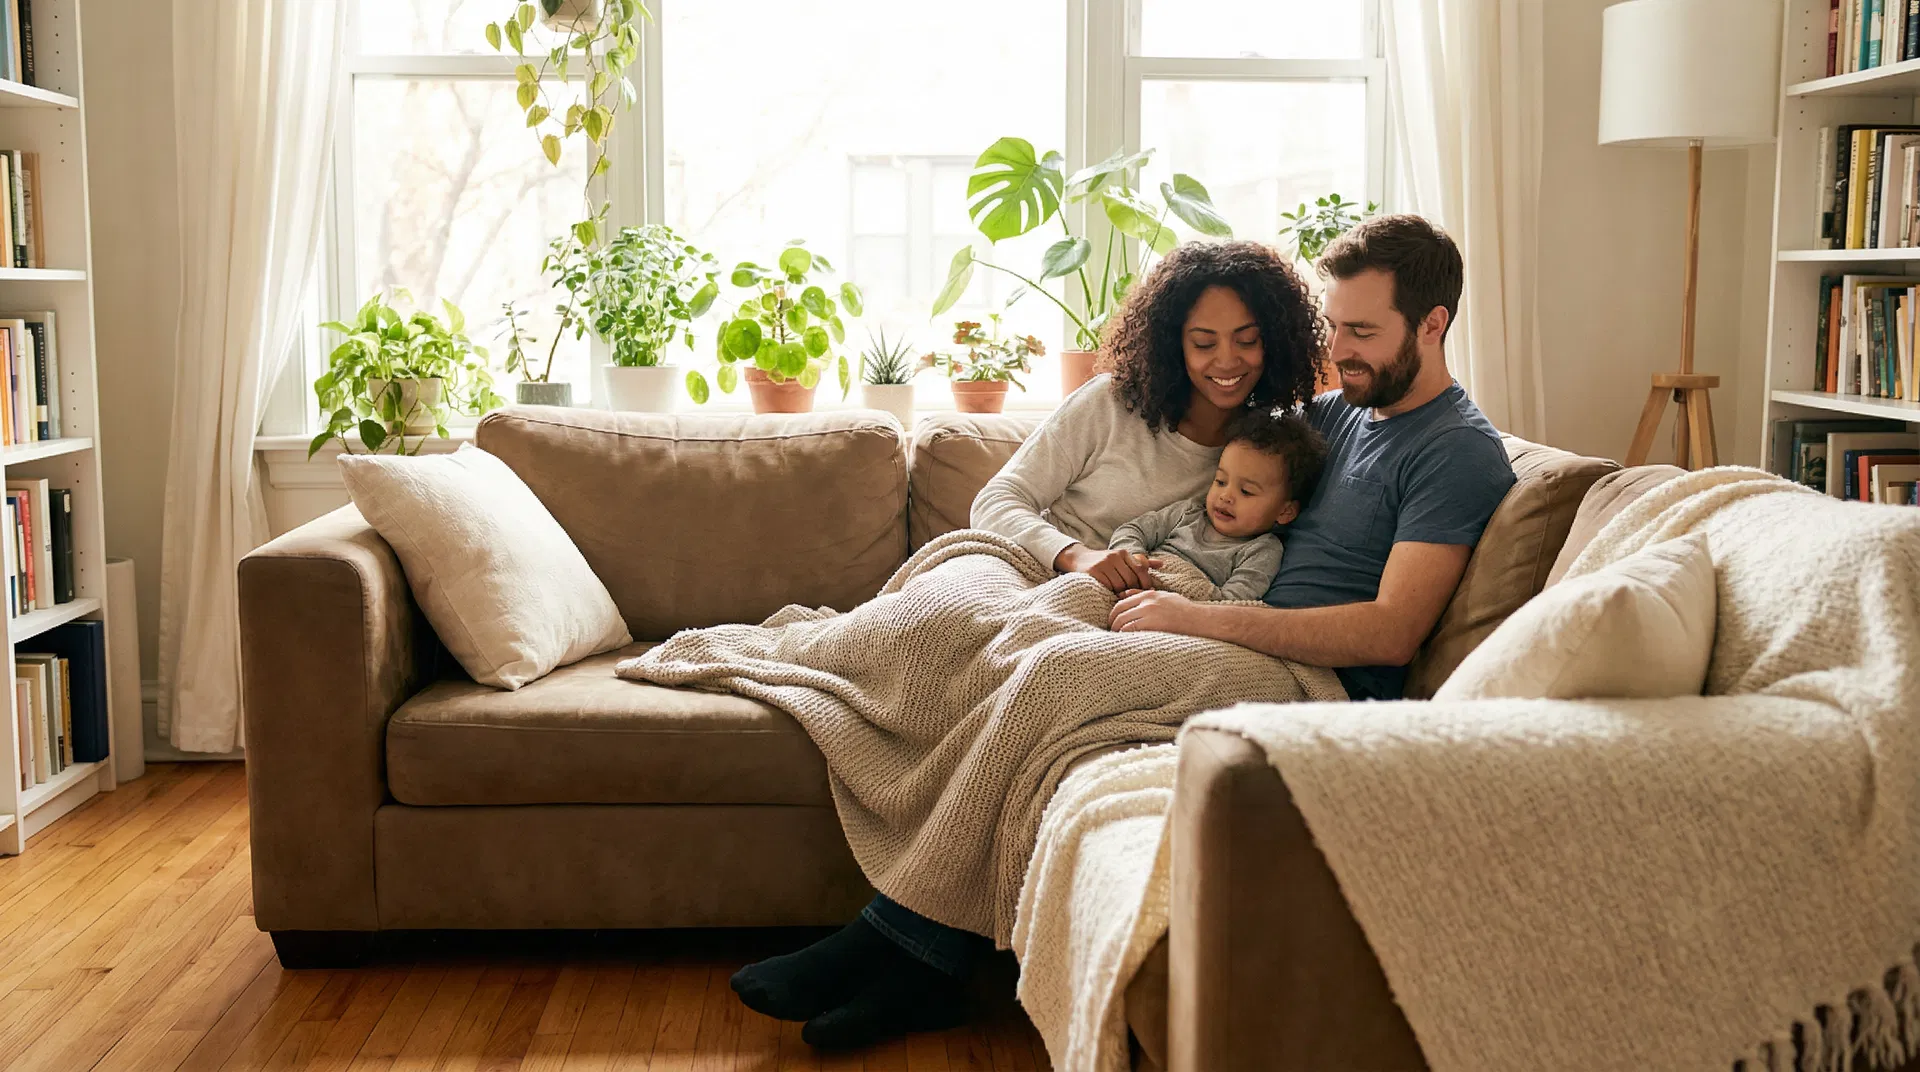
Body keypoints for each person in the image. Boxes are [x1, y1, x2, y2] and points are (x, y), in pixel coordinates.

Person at [728, 239, 1328, 1048]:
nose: (1228, 360)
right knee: (939, 625)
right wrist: (1075, 555)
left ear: (1278, 336)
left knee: (1037, 664)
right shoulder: (1114, 400)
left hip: (1106, 606)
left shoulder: (1276, 445)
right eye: (1203, 340)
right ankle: (917, 954)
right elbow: (999, 499)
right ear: (1169, 341)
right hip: (1026, 559)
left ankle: (905, 944)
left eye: (1248, 337)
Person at [1110, 213, 1518, 704]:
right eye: (1333, 326)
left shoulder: (1456, 450)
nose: (1338, 350)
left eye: (1362, 332)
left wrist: (1196, 618)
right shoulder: (1333, 413)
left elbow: (1392, 633)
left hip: (1315, 681)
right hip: (1239, 639)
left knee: (1063, 674)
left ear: (1432, 325)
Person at [1105, 409, 1326, 602]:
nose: (1225, 496)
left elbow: (1232, 604)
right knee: (1077, 587)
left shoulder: (1262, 550)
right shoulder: (1188, 512)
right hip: (1136, 582)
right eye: (1220, 481)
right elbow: (1132, 530)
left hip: (1181, 611)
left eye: (1246, 492)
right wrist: (1134, 561)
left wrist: (1174, 600)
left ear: (1285, 511)